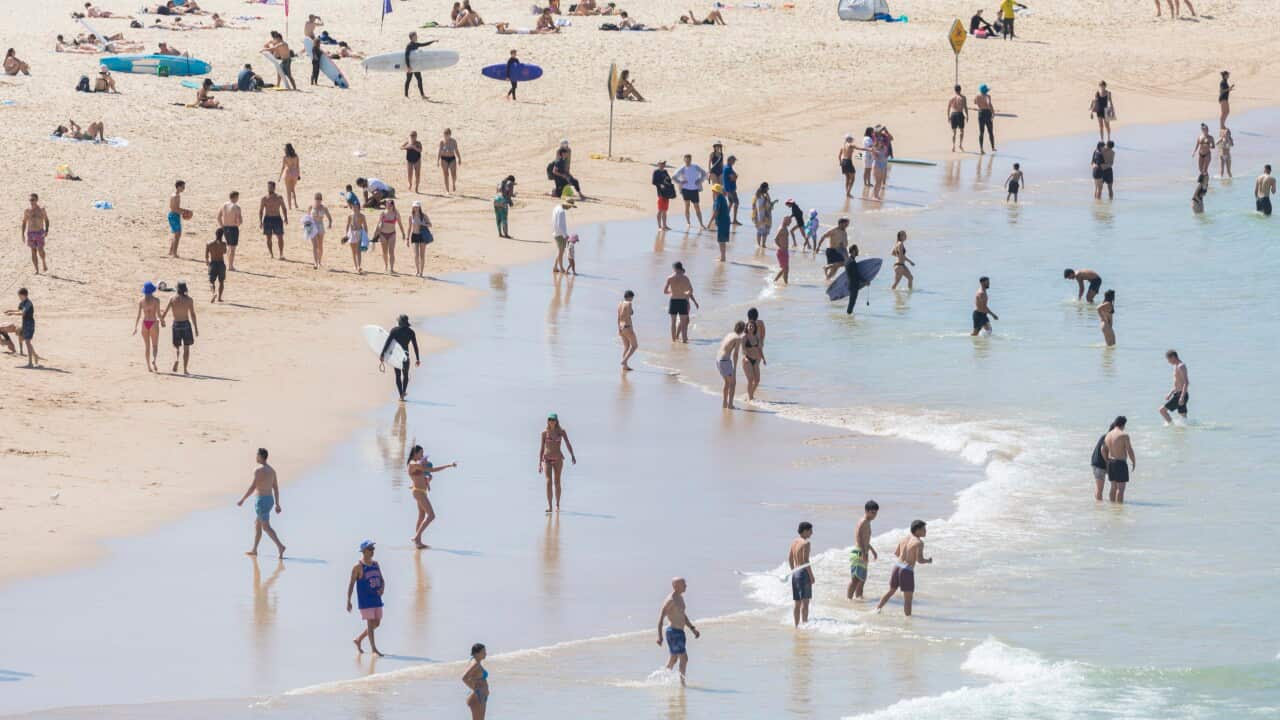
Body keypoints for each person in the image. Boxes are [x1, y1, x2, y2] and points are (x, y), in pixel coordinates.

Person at [235, 448, 286, 558]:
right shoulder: (272, 470)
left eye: (257, 455)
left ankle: (280, 546)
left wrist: (243, 499)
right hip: (269, 500)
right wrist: (277, 504)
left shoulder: (258, 470)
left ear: (261, 456)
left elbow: (253, 487)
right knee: (257, 524)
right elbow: (276, 488)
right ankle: (254, 550)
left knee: (266, 527)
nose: (256, 457)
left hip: (261, 501)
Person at [875, 520, 932, 615]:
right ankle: (908, 621)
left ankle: (877, 609)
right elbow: (920, 560)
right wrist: (928, 561)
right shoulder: (919, 542)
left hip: (897, 566)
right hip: (907, 570)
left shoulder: (904, 539)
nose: (925, 531)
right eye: (924, 529)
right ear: (917, 530)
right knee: (908, 599)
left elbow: (897, 553)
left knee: (891, 591)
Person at [406, 445, 458, 549]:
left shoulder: (418, 465)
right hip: (418, 492)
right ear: (415, 453)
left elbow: (432, 469)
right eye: (421, 453)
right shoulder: (412, 463)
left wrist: (449, 466)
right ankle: (416, 538)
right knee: (431, 515)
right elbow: (417, 465)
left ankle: (418, 542)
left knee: (421, 516)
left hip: (422, 492)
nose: (422, 455)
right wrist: (422, 462)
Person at [657, 577, 701, 685]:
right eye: (683, 584)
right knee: (684, 658)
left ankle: (663, 679)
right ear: (676, 586)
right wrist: (660, 636)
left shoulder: (680, 598)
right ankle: (683, 684)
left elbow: (683, 615)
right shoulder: (670, 600)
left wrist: (692, 629)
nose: (686, 586)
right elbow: (661, 618)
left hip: (680, 632)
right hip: (673, 632)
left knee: (674, 659)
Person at [346, 541, 385, 656]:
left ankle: (358, 639)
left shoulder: (376, 564)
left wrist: (382, 588)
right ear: (363, 551)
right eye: (370, 549)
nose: (373, 551)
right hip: (365, 599)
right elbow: (351, 584)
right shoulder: (358, 567)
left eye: (373, 548)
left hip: (376, 597)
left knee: (377, 623)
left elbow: (382, 580)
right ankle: (373, 648)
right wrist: (348, 600)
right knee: (370, 622)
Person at [538, 413, 576, 513]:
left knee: (557, 482)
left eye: (553, 419)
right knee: (548, 482)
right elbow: (541, 448)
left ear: (556, 421)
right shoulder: (544, 433)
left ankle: (558, 504)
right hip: (546, 459)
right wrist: (539, 463)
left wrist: (572, 455)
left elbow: (568, 443)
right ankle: (550, 506)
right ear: (547, 421)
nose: (551, 421)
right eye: (550, 419)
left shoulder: (561, 432)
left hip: (558, 459)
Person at [380, 314, 421, 401]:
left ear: (400, 322)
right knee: (405, 374)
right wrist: (417, 359)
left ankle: (401, 395)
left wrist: (382, 354)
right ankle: (404, 391)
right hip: (405, 356)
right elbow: (415, 346)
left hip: (396, 356)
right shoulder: (411, 332)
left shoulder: (394, 330)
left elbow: (388, 343)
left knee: (398, 375)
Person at [160, 281, 198, 374]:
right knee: (186, 348)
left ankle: (176, 359)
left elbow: (165, 311)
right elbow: (192, 314)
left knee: (176, 346)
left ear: (177, 289)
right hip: (186, 324)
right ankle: (185, 369)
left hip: (176, 324)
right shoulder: (189, 300)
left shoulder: (172, 298)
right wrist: (196, 328)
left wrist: (162, 320)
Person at [847, 500, 879, 600]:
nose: (875, 515)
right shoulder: (863, 521)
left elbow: (865, 539)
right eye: (873, 512)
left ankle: (859, 599)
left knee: (862, 579)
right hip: (858, 552)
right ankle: (849, 599)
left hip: (863, 551)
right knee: (855, 579)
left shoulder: (867, 522)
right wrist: (863, 552)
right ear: (867, 511)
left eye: (876, 513)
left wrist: (872, 550)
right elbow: (858, 537)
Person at [1100, 417, 1135, 503]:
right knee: (1121, 489)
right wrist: (1134, 461)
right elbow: (1129, 450)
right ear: (1123, 424)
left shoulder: (1108, 435)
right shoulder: (1123, 435)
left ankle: (1112, 508)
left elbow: (1103, 449)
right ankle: (1119, 511)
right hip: (1120, 463)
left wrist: (1107, 460)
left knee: (1113, 487)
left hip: (1111, 463)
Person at [663, 261, 699, 343]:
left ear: (674, 268)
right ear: (681, 267)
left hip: (673, 301)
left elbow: (665, 291)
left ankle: (673, 340)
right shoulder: (685, 278)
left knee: (673, 322)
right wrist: (686, 293)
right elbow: (691, 290)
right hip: (683, 301)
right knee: (683, 323)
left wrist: (672, 292)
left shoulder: (670, 278)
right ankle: (684, 340)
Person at [132, 282, 162, 372]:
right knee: (155, 345)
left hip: (145, 323)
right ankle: (154, 360)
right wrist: (163, 321)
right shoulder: (156, 300)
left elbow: (138, 315)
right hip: (153, 322)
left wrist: (135, 327)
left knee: (147, 346)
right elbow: (158, 314)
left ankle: (148, 366)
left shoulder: (141, 301)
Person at [788, 522, 814, 626]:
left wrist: (793, 570)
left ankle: (796, 626)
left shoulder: (794, 541)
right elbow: (805, 561)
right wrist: (811, 576)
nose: (812, 533)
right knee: (806, 602)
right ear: (805, 531)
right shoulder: (806, 543)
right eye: (810, 530)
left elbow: (790, 558)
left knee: (797, 603)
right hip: (803, 573)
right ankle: (804, 625)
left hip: (795, 573)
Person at [5, 289, 38, 367]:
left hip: (29, 324)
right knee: (27, 341)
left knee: (27, 342)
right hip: (24, 323)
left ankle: (30, 363)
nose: (19, 297)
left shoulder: (28, 303)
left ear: (24, 295)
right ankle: (35, 356)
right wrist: (10, 310)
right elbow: (19, 310)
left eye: (19, 296)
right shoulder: (22, 303)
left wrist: (12, 313)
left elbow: (22, 313)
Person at [673, 155, 708, 229]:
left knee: (697, 207)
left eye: (689, 160)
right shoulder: (682, 168)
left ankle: (701, 224)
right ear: (684, 160)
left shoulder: (695, 167)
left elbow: (704, 173)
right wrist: (680, 182)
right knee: (687, 206)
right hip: (685, 190)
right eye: (686, 160)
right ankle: (688, 223)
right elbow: (673, 177)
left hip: (695, 190)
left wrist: (700, 180)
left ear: (691, 160)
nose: (688, 161)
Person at [716, 321, 745, 409]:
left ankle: (725, 403)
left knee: (727, 382)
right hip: (725, 360)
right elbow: (735, 354)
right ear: (743, 329)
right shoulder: (738, 338)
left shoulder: (729, 334)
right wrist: (735, 369)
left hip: (718, 359)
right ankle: (730, 405)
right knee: (733, 383)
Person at [374, 199, 405, 274]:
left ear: (392, 205)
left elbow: (400, 224)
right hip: (383, 234)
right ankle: (386, 266)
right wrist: (375, 234)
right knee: (384, 252)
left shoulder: (396, 214)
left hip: (392, 234)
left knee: (391, 252)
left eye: (389, 204)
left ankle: (391, 268)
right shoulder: (383, 213)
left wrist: (403, 233)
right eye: (387, 204)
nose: (387, 205)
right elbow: (378, 224)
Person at [20, 193, 49, 275]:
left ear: (37, 200)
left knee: (40, 250)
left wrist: (46, 230)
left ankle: (43, 262)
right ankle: (37, 270)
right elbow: (24, 222)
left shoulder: (42, 210)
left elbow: (47, 220)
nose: (31, 202)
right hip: (30, 233)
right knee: (33, 251)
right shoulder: (27, 211)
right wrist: (22, 234)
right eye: (30, 200)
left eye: (33, 200)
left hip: (39, 232)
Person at [260, 181, 288, 259]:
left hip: (277, 218)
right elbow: (261, 210)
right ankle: (271, 254)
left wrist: (286, 218)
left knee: (280, 237)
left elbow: (284, 208)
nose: (269, 188)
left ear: (274, 188)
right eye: (268, 187)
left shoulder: (279, 197)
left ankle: (281, 254)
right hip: (267, 218)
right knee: (268, 237)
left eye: (271, 187)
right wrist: (260, 221)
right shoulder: (264, 198)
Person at [1159, 350, 1190, 424]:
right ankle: (1182, 433)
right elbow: (1178, 383)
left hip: (1181, 395)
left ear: (1173, 357)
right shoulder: (1176, 366)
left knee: (1162, 410)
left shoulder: (1181, 366)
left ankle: (1172, 427)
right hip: (1179, 394)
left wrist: (1182, 397)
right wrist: (1170, 393)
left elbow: (1186, 382)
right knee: (1184, 418)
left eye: (1169, 359)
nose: (1168, 362)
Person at [305, 192, 333, 270]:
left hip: (320, 226)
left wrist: (330, 224)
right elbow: (307, 217)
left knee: (320, 245)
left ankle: (319, 261)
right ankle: (315, 262)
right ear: (314, 199)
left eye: (319, 199)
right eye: (317, 199)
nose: (318, 201)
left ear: (321, 200)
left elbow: (329, 218)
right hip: (312, 226)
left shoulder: (324, 208)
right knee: (315, 245)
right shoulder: (311, 207)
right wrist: (307, 227)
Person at [216, 190, 243, 271]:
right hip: (233, 228)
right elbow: (239, 220)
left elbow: (218, 217)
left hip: (226, 227)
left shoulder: (224, 205)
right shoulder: (236, 207)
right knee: (232, 248)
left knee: (229, 246)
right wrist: (238, 223)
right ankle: (230, 266)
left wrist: (222, 226)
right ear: (235, 197)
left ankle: (229, 264)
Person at [402, 32, 434, 99]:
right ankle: (406, 95)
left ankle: (422, 95)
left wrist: (433, 41)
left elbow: (424, 44)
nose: (417, 37)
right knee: (408, 80)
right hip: (410, 66)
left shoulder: (416, 44)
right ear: (412, 37)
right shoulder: (409, 46)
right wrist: (408, 67)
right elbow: (406, 56)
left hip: (416, 66)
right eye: (415, 36)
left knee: (419, 79)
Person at [742, 310, 766, 401]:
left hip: (757, 347)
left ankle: (750, 394)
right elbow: (763, 334)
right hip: (751, 351)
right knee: (752, 377)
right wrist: (762, 342)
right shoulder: (760, 323)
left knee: (756, 376)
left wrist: (760, 344)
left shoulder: (748, 323)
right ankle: (750, 395)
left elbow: (762, 334)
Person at [462, 643, 489, 719]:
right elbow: (464, 678)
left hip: (480, 696)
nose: (485, 654)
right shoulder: (475, 664)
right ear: (477, 653)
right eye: (483, 652)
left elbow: (472, 678)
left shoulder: (475, 661)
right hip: (478, 696)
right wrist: (475, 690)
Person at [344, 200, 368, 274]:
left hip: (359, 233)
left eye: (356, 207)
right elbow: (347, 225)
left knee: (358, 251)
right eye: (353, 207)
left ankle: (359, 266)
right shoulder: (350, 216)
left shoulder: (362, 216)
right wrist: (346, 235)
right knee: (353, 251)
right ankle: (355, 265)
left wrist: (366, 236)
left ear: (359, 207)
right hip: (352, 233)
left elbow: (365, 225)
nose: (354, 208)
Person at [408, 201, 432, 277]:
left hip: (422, 236)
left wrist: (423, 224)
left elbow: (430, 225)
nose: (416, 208)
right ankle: (417, 270)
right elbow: (409, 228)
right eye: (414, 207)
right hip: (414, 236)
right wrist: (407, 238)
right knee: (416, 255)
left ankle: (421, 272)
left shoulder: (424, 216)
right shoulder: (411, 216)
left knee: (422, 255)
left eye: (417, 207)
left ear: (419, 207)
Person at [167, 180, 188, 258]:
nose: (184, 188)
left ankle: (171, 251)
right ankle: (174, 253)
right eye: (183, 187)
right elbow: (174, 208)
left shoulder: (174, 195)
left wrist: (184, 210)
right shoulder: (176, 196)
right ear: (178, 187)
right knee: (177, 235)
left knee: (176, 234)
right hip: (174, 216)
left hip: (173, 215)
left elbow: (174, 208)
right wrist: (184, 212)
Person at [652, 160, 675, 230]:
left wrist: (667, 180)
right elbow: (653, 182)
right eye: (661, 164)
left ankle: (664, 225)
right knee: (660, 210)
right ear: (658, 164)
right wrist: (660, 184)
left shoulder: (665, 171)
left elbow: (669, 180)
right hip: (660, 194)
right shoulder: (656, 172)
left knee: (665, 210)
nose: (662, 165)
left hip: (666, 193)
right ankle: (659, 226)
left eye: (664, 164)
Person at [618, 290, 638, 370]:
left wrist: (618, 328)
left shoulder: (620, 304)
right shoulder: (629, 303)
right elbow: (630, 313)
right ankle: (624, 360)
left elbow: (618, 317)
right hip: (628, 327)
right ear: (630, 297)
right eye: (632, 297)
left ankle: (625, 366)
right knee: (634, 346)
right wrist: (632, 311)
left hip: (621, 327)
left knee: (626, 347)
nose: (632, 299)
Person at [551, 197, 572, 274]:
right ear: (567, 205)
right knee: (561, 251)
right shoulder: (562, 211)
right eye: (570, 206)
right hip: (560, 234)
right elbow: (560, 225)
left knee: (560, 251)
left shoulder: (556, 207)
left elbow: (556, 222)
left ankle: (555, 267)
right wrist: (565, 235)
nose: (569, 208)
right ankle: (562, 269)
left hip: (555, 232)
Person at [752, 182, 776, 248]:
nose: (768, 190)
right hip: (763, 216)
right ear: (765, 188)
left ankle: (760, 245)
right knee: (764, 231)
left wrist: (773, 203)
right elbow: (765, 206)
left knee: (760, 231)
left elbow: (756, 207)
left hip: (759, 216)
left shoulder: (758, 196)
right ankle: (762, 245)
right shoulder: (762, 197)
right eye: (767, 188)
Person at [206, 229, 228, 302]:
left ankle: (213, 293)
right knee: (221, 281)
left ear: (215, 234)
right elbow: (224, 252)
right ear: (222, 235)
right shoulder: (224, 244)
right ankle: (219, 298)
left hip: (213, 263)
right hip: (221, 263)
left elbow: (206, 256)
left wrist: (207, 263)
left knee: (211, 281)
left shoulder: (209, 244)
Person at [843, 243, 864, 314]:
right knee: (851, 303)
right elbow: (856, 275)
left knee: (851, 303)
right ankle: (848, 320)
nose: (858, 251)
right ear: (853, 251)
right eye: (857, 250)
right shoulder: (852, 262)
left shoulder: (848, 260)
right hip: (853, 285)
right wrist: (865, 281)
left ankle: (849, 318)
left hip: (851, 284)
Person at [712, 184, 731, 261]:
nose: (712, 192)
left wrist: (710, 222)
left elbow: (716, 211)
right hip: (725, 221)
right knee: (722, 240)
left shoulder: (719, 198)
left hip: (723, 221)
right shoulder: (721, 198)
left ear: (716, 191)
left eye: (713, 191)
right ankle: (723, 256)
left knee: (721, 240)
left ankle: (723, 257)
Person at [438, 129, 461, 194]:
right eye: (444, 135)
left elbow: (456, 150)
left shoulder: (453, 141)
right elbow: (439, 151)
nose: (445, 136)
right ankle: (447, 190)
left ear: (450, 135)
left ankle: (453, 184)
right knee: (445, 174)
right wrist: (438, 160)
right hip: (444, 158)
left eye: (447, 135)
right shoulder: (442, 142)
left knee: (453, 174)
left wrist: (459, 158)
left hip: (452, 158)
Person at [975, 84, 997, 153]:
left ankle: (981, 149)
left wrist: (980, 104)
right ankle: (993, 147)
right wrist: (993, 112)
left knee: (981, 132)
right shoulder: (988, 96)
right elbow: (989, 104)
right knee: (990, 131)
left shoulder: (977, 96)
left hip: (980, 113)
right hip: (987, 113)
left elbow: (975, 102)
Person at [1090, 429, 1109, 500]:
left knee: (1098, 488)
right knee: (1100, 489)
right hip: (1099, 465)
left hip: (1094, 463)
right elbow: (1103, 449)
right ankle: (1099, 508)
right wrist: (1107, 464)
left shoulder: (1104, 436)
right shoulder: (1108, 437)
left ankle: (1098, 507)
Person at [280, 144, 301, 210]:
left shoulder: (285, 157)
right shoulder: (296, 156)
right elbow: (298, 166)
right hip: (295, 173)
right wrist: (299, 175)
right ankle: (295, 203)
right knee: (293, 189)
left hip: (288, 173)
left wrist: (280, 176)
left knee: (288, 191)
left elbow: (283, 167)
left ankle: (289, 207)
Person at [948, 85, 968, 152]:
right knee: (961, 131)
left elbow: (948, 108)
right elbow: (965, 107)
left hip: (953, 114)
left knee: (954, 132)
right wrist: (967, 115)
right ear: (960, 89)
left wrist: (948, 116)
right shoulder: (963, 97)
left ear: (955, 90)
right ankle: (960, 145)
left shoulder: (951, 98)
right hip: (959, 114)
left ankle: (953, 146)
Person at [722, 156, 741, 225]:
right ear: (729, 160)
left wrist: (735, 176)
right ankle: (734, 220)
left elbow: (730, 177)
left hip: (728, 188)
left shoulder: (726, 167)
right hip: (730, 189)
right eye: (733, 161)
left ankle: (725, 218)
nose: (734, 162)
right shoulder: (728, 168)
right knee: (736, 203)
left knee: (731, 203)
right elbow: (733, 178)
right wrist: (736, 176)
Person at [773, 220, 790, 285]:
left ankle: (782, 282)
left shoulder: (785, 228)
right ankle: (783, 282)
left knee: (786, 269)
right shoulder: (782, 229)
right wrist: (781, 247)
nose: (790, 223)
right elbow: (775, 239)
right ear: (785, 221)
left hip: (785, 251)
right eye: (789, 222)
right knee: (785, 268)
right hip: (782, 251)